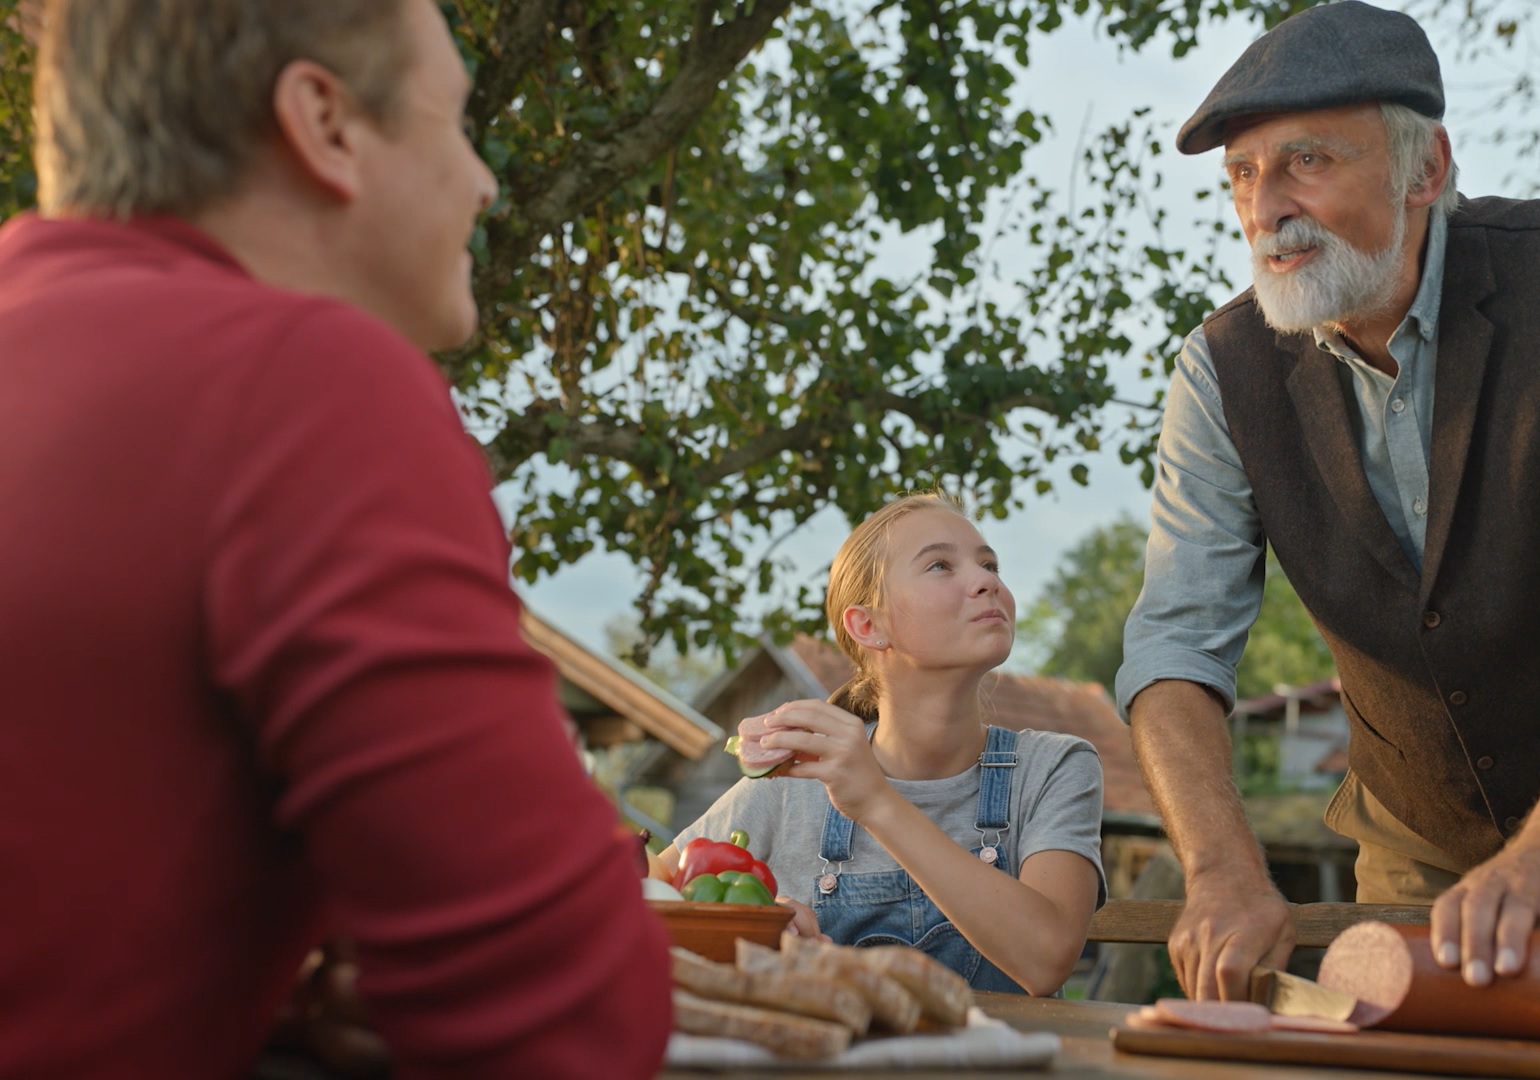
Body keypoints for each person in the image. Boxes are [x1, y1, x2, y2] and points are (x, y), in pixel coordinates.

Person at [0, 2, 672, 1076]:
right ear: (325, 123)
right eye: (451, 122)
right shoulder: (299, 385)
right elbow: (565, 1023)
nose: (484, 180)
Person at [1116, 1, 1540, 1050]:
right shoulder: (1218, 370)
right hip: (1412, 822)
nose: (1265, 208)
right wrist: (1223, 870)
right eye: (1242, 174)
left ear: (1426, 168)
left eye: (1305, 161)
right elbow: (1175, 643)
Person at [662, 493, 1106, 995]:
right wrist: (756, 923)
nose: (988, 581)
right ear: (868, 626)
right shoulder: (796, 777)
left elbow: (1046, 959)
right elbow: (650, 894)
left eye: (989, 564)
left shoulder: (1055, 767)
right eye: (941, 565)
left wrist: (875, 801)